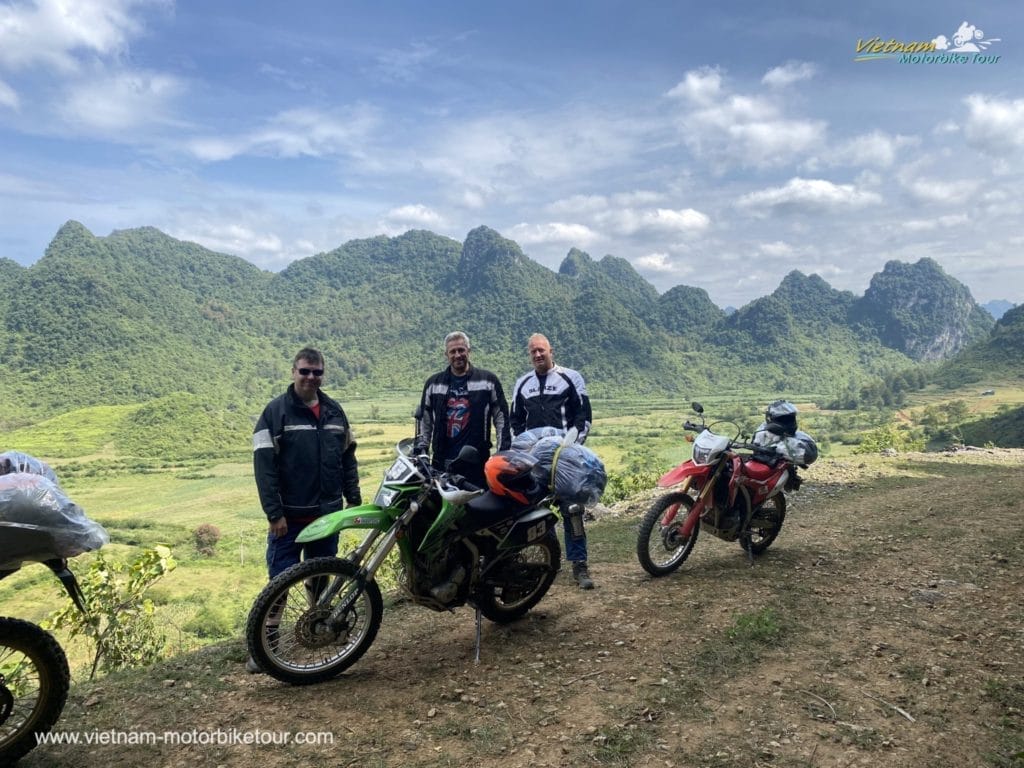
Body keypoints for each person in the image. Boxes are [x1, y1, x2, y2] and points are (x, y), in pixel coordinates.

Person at [248, 347, 361, 672]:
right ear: (293, 372)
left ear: (323, 374)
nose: (311, 377)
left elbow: (347, 457)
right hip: (289, 518)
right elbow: (264, 468)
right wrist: (274, 514)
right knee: (279, 582)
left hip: (327, 515)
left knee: (321, 576)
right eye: (305, 371)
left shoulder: (334, 411)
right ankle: (265, 646)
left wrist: (353, 498)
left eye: (317, 372)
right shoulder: (275, 413)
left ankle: (321, 628)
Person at [509, 333, 595, 589]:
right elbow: (515, 422)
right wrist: (524, 451)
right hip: (534, 462)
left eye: (542, 350)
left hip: (566, 460)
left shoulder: (571, 378)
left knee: (573, 510)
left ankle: (579, 565)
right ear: (529, 354)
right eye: (533, 351)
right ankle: (546, 561)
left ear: (551, 351)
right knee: (533, 512)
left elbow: (583, 417)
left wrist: (571, 448)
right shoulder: (522, 384)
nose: (538, 355)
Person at [414, 331, 510, 489]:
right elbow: (425, 420)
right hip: (441, 463)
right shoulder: (433, 384)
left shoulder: (488, 381)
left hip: (477, 463)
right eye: (453, 351)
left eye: (461, 350)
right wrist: (422, 452)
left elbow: (502, 418)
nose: (457, 355)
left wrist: (501, 454)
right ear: (446, 354)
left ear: (469, 351)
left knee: (476, 502)